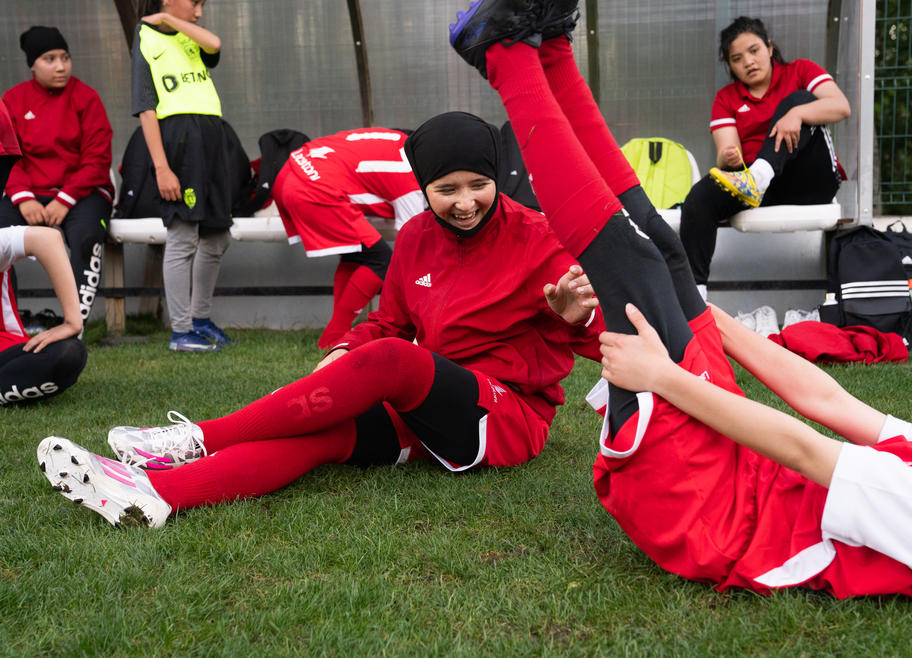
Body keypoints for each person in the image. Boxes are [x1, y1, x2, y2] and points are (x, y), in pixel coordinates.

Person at [444, 0, 912, 600]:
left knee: (631, 263)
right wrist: (711, 321)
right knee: (666, 250)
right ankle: (548, 48)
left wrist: (663, 374)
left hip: (715, 519)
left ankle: (503, 55)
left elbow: (808, 452)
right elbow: (830, 402)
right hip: (744, 474)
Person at [36, 111, 603, 528]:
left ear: (496, 179)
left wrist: (574, 320)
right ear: (421, 187)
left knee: (394, 361)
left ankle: (195, 438)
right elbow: (390, 319)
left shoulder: (540, 237)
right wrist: (345, 350)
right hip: (423, 400)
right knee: (320, 436)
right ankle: (156, 494)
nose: (464, 202)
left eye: (478, 186)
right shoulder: (414, 237)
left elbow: (604, 340)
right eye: (445, 189)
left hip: (502, 416)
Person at [679, 16, 851, 296]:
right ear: (730, 65)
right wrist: (729, 159)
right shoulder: (727, 98)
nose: (748, 61)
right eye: (737, 58)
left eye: (754, 50)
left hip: (810, 180)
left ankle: (760, 174)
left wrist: (796, 115)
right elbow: (726, 153)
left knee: (798, 100)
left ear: (770, 48)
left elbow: (841, 107)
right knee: (699, 198)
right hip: (757, 190)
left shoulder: (801, 71)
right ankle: (693, 299)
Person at [132, 0, 234, 351]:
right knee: (183, 237)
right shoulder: (145, 39)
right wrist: (162, 168)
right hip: (178, 146)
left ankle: (200, 319)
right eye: (194, 1)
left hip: (211, 141)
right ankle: (180, 332)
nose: (199, 12)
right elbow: (146, 110)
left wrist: (174, 20)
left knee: (218, 236)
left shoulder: (188, 34)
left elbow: (215, 44)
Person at [0, 26, 115, 326]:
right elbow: (6, 156)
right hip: (29, 194)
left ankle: (73, 324)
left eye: (65, 57)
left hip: (82, 193)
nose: (61, 66)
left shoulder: (86, 98)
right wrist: (23, 199)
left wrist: (65, 199)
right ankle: (9, 324)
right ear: (32, 64)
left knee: (87, 236)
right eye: (49, 59)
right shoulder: (12, 101)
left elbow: (98, 158)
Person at [272, 128, 425, 348]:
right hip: (313, 188)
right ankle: (334, 336)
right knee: (382, 261)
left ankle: (336, 335)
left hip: (291, 171)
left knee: (356, 255)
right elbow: (413, 241)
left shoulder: (396, 138)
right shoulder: (410, 178)